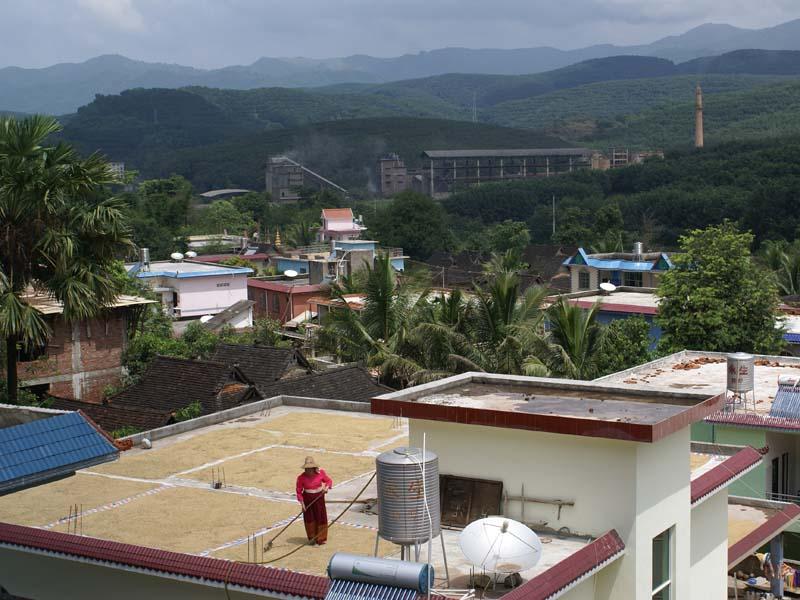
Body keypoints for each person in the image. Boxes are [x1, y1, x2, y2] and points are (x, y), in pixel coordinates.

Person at [296, 456, 333, 545]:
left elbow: (329, 481)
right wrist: (302, 504)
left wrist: (326, 488)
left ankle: (320, 539)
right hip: (308, 500)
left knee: (320, 517)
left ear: (313, 468)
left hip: (319, 499)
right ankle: (312, 539)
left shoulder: (321, 473)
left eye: (309, 469)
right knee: (310, 519)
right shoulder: (301, 478)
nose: (308, 471)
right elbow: (298, 491)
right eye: (306, 469)